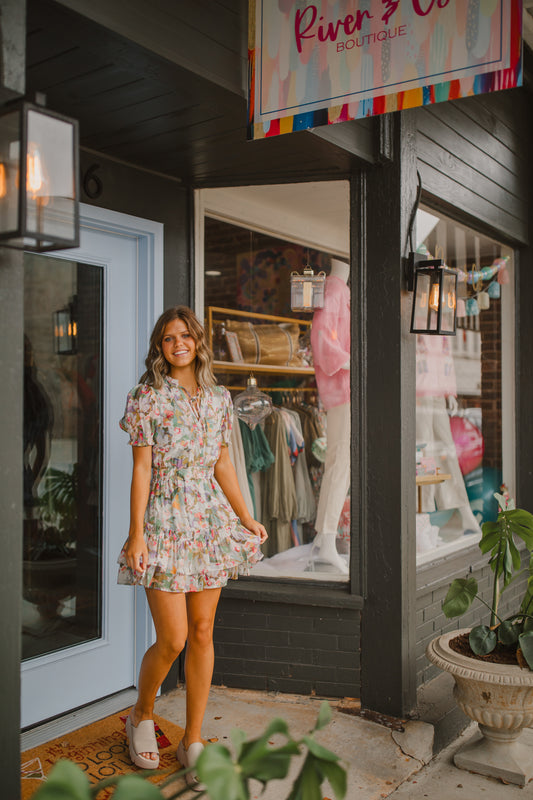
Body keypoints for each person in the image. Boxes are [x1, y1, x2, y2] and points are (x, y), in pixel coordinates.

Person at [117, 306, 267, 788]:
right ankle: (140, 715)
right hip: (163, 520)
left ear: (198, 342)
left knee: (203, 632)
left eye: (185, 335)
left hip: (208, 524)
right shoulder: (147, 397)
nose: (177, 343)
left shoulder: (221, 398)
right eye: (167, 338)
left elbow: (223, 463)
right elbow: (142, 469)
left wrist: (245, 516)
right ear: (159, 348)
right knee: (173, 639)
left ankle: (193, 740)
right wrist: (136, 532)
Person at [308, 259, 350, 574]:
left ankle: (323, 539)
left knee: (338, 462)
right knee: (341, 464)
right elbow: (323, 340)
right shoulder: (335, 289)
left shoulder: (339, 289)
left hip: (343, 390)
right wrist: (358, 360)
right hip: (343, 389)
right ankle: (327, 539)